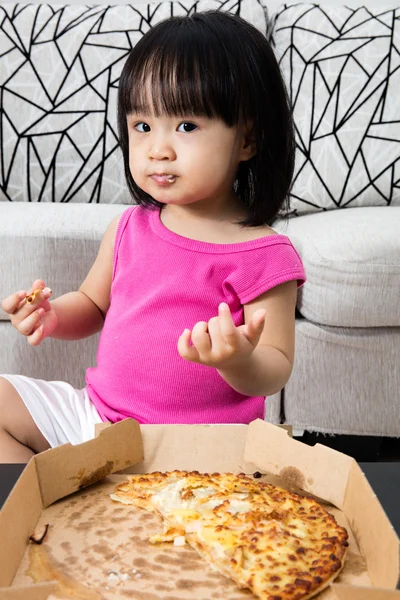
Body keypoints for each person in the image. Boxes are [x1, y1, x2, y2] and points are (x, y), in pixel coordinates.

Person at [0, 11, 305, 462]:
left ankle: (80, 502)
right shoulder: (128, 229)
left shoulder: (264, 255)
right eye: (142, 126)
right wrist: (52, 316)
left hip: (199, 448)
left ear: (247, 140)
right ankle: (42, 514)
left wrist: (238, 361)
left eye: (186, 126)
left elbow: (275, 367)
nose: (158, 149)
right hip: (100, 421)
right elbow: (92, 304)